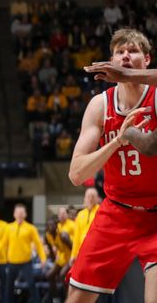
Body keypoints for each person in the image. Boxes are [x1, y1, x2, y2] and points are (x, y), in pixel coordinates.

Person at [67, 28, 157, 302]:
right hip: (116, 211)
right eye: (120, 52)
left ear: (147, 60)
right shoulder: (99, 105)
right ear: (110, 61)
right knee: (76, 299)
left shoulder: (155, 97)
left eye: (133, 51)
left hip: (156, 214)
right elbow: (76, 173)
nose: (126, 56)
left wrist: (128, 76)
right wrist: (117, 141)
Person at [0, 204, 45, 303]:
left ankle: (36, 301)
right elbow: (3, 242)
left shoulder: (31, 228)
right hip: (12, 262)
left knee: (31, 284)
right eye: (18, 212)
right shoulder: (9, 227)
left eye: (22, 212)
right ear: (14, 214)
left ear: (25, 214)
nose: (20, 214)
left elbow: (38, 244)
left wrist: (43, 258)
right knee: (9, 286)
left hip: (26, 262)